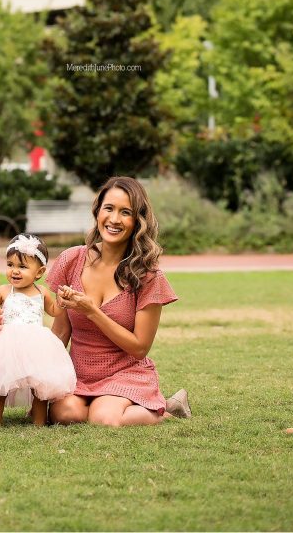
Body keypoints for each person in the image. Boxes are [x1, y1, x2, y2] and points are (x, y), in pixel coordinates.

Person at [47, 176, 191, 427]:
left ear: (137, 221)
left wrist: (92, 311)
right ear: (97, 212)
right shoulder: (71, 260)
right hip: (80, 374)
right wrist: (43, 378)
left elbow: (139, 347)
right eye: (109, 208)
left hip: (125, 373)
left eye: (125, 212)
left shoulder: (148, 276)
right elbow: (60, 331)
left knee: (104, 418)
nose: (114, 219)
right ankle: (150, 404)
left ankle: (167, 409)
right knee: (64, 414)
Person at [0, 234, 76, 426]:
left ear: (39, 272)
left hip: (36, 345)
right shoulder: (4, 290)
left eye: (22, 266)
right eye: (10, 265)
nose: (15, 271)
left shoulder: (42, 292)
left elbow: (54, 311)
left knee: (40, 387)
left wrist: (62, 301)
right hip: (7, 344)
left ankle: (39, 422)